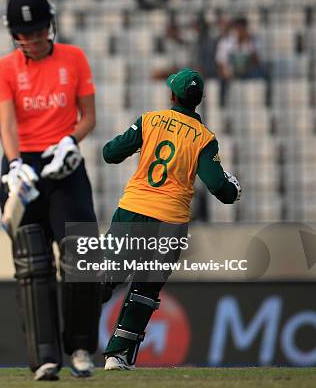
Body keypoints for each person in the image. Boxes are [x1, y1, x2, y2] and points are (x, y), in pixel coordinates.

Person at [0, 0, 101, 381]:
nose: (34, 40)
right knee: (32, 266)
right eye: (26, 34)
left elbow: (88, 116)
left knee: (82, 256)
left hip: (64, 164)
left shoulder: (74, 58)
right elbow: (6, 123)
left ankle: (82, 346)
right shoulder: (3, 68)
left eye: (39, 31)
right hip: (24, 168)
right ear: (14, 35)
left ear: (49, 26)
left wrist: (72, 140)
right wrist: (16, 164)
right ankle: (45, 359)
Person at [100, 68, 241, 370]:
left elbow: (110, 153)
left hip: (133, 210)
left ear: (172, 95)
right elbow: (220, 188)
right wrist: (233, 188)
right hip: (170, 222)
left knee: (104, 275)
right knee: (145, 290)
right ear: (200, 100)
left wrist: (135, 141)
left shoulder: (150, 120)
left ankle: (72, 328)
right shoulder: (204, 138)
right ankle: (117, 355)